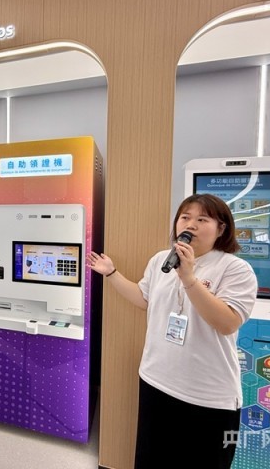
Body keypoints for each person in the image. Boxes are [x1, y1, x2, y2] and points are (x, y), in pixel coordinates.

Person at [88, 193, 257, 469]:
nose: (191, 225)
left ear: (221, 229)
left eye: (202, 219)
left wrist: (189, 278)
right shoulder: (160, 260)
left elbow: (227, 322)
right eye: (185, 217)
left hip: (208, 396)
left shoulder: (236, 269)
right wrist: (111, 273)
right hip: (155, 380)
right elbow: (144, 298)